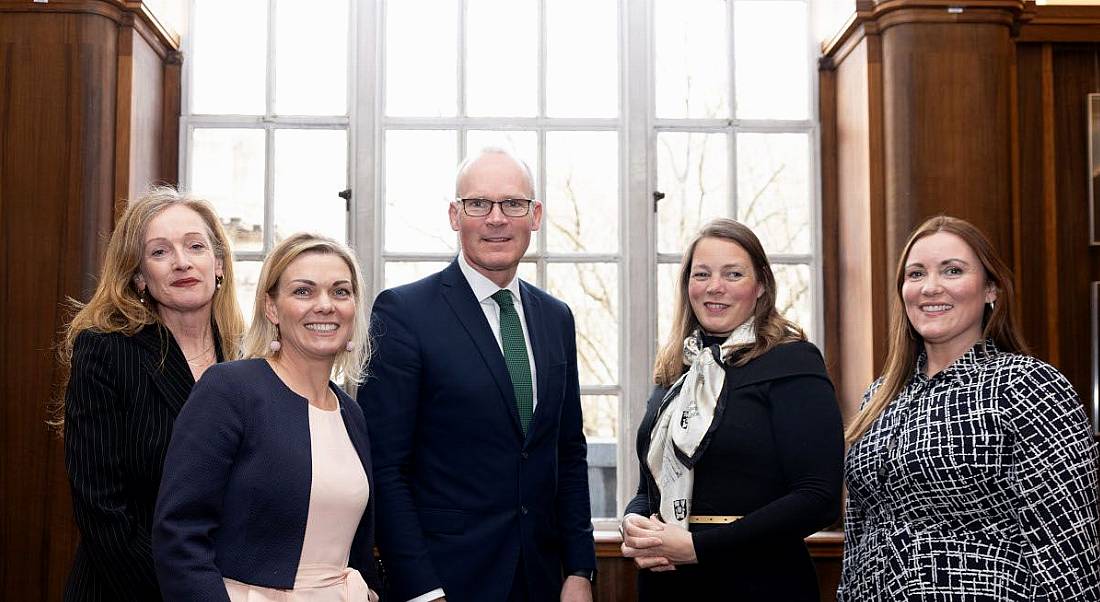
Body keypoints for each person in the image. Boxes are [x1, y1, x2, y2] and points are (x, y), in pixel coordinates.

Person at [358, 148, 596, 602]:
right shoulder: (404, 313)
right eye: (478, 204)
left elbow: (568, 452)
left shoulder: (556, 318)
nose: (496, 218)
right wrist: (422, 589)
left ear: (535, 215)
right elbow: (385, 468)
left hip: (543, 580)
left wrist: (580, 568)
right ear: (454, 214)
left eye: (512, 204)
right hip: (445, 582)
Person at [837, 215, 1100, 601]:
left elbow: (1068, 544)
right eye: (915, 274)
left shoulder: (1027, 384)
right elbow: (860, 531)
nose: (930, 287)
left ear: (991, 289)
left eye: (953, 270)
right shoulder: (879, 396)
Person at [620, 218, 844, 601]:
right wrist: (634, 521)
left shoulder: (793, 362)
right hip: (666, 584)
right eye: (701, 274)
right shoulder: (675, 372)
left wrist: (699, 548)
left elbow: (818, 497)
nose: (714, 287)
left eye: (733, 274)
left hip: (759, 583)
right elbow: (650, 485)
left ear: (760, 286)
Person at [153, 233, 379, 601]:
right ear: (272, 308)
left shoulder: (350, 413)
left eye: (340, 292)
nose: (325, 305)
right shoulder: (231, 390)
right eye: (304, 291)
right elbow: (179, 535)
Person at [58, 186, 244, 601]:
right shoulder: (105, 351)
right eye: (159, 252)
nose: (181, 262)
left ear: (218, 264)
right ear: (139, 276)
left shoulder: (249, 359)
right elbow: (101, 509)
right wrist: (189, 591)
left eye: (194, 246)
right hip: (132, 588)